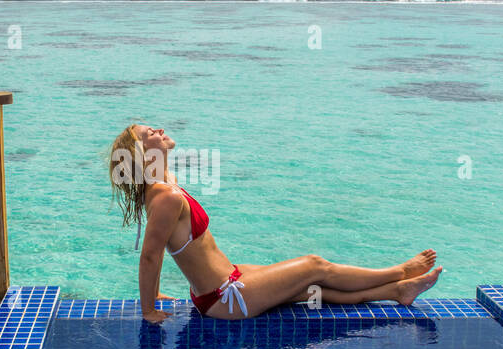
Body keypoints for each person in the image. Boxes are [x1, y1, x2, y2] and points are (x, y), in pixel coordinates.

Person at [108, 123, 442, 323]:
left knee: (312, 291)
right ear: (141, 152)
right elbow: (151, 255)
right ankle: (401, 271)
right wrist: (148, 309)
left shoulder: (165, 182)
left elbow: (164, 246)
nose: (160, 129)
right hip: (227, 297)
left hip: (228, 282)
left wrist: (155, 293)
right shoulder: (165, 196)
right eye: (150, 132)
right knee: (315, 265)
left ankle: (399, 291)